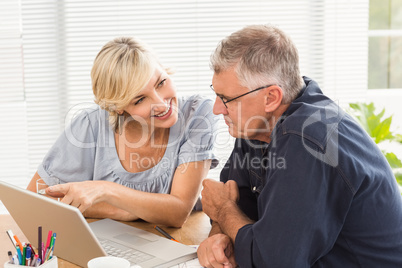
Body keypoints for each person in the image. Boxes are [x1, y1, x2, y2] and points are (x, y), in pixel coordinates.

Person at [198, 24, 402, 267]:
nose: (216, 109)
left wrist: (223, 212)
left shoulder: (308, 140)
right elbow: (233, 201)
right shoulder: (256, 125)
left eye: (226, 99)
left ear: (271, 97)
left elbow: (273, 261)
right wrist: (218, 239)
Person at [27, 37, 218, 227]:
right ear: (118, 107)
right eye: (140, 99)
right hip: (112, 242)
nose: (161, 104)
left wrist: (105, 190)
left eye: (160, 83)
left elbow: (178, 212)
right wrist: (117, 210)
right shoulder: (90, 125)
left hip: (178, 240)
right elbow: (36, 198)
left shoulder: (197, 114)